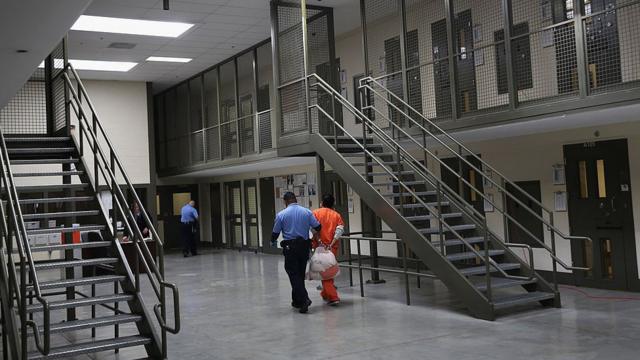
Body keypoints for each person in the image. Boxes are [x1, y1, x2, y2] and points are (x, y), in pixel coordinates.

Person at [272, 192, 321, 314]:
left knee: (293, 274)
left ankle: (304, 299)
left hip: (291, 248)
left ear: (285, 201)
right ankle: (297, 301)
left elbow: (275, 233)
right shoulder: (306, 212)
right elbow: (318, 227)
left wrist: (272, 241)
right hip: (304, 247)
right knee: (299, 274)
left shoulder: (281, 214)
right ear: (295, 199)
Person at [312, 194, 345, 306]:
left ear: (322, 202)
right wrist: (332, 242)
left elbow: (313, 229)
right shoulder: (336, 215)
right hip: (332, 247)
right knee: (328, 270)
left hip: (320, 247)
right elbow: (339, 230)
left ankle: (333, 296)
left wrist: (319, 241)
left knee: (325, 272)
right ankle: (325, 293)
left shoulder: (316, 213)